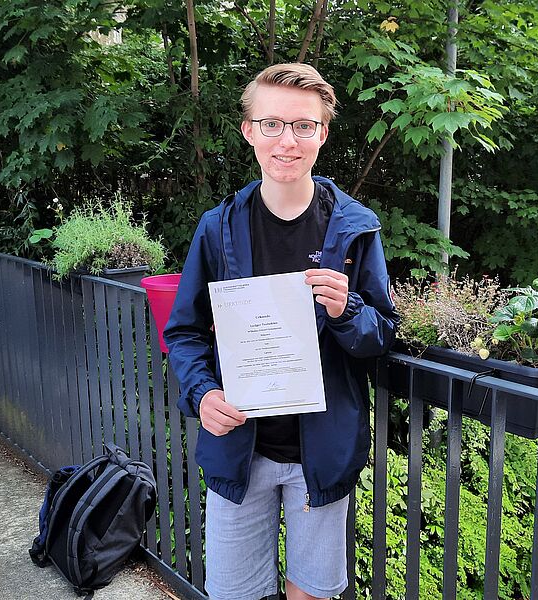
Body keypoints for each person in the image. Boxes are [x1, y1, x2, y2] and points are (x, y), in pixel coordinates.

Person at [163, 63, 398, 600]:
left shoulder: (354, 228)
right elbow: (185, 332)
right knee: (234, 594)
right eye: (272, 124)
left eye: (303, 125)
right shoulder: (218, 228)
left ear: (323, 133)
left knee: (310, 593)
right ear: (249, 131)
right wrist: (202, 394)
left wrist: (347, 310)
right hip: (238, 451)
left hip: (322, 454)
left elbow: (381, 334)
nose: (287, 141)